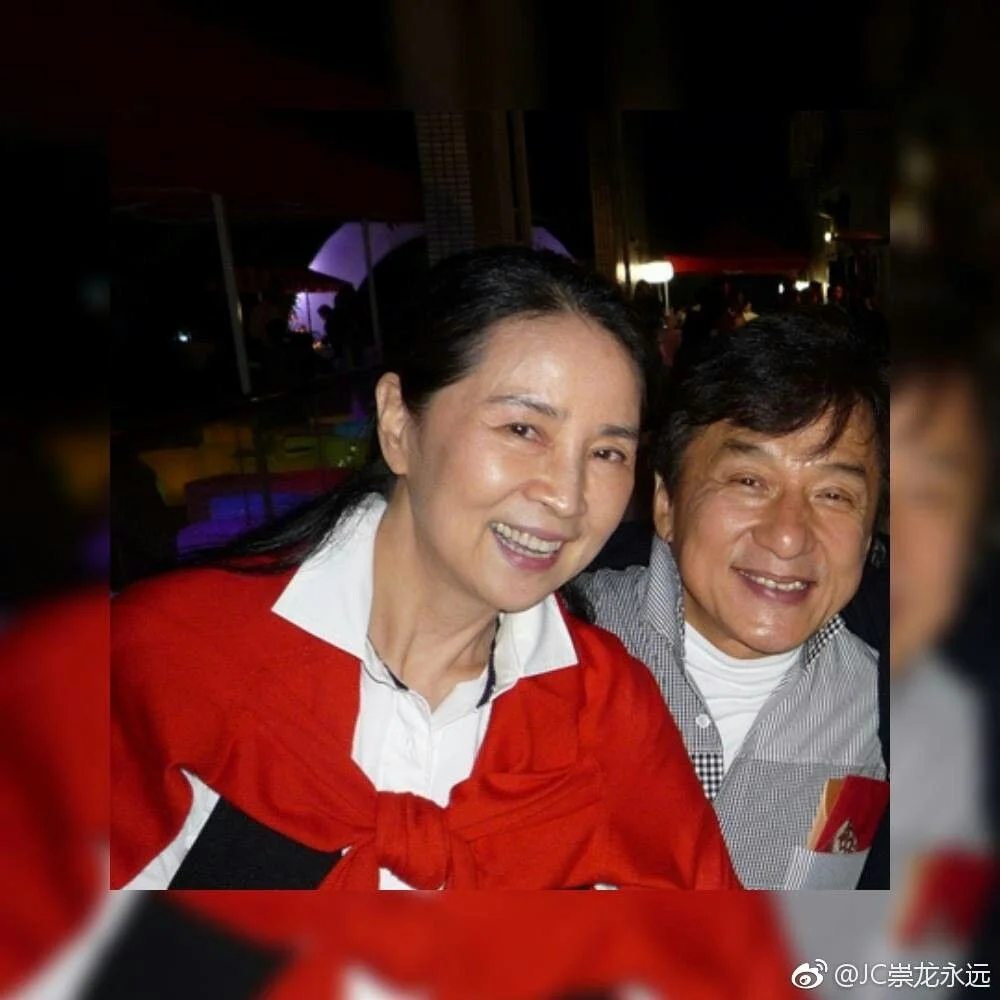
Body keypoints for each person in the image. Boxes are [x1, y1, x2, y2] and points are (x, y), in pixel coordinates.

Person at [110, 246, 739, 891]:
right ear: (397, 423)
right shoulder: (171, 655)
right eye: (522, 430)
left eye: (607, 452)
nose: (566, 496)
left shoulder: (608, 714)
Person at [576, 308, 888, 889]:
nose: (789, 535)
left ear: (871, 534)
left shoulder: (893, 701)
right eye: (749, 481)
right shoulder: (550, 645)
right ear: (665, 503)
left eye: (833, 494)